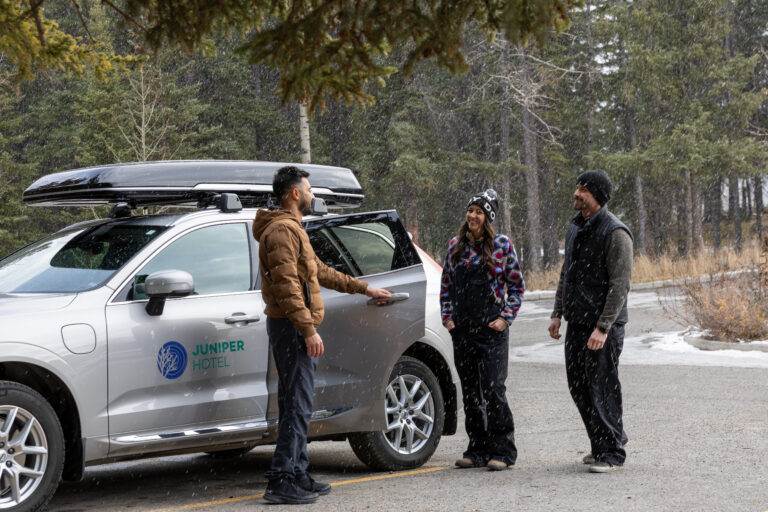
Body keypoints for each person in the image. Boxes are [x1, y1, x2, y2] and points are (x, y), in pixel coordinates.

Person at [252, 166, 391, 504]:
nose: (314, 194)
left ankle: (297, 473)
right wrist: (308, 329)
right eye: (310, 189)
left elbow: (320, 272)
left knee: (296, 403)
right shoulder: (282, 232)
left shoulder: (293, 229)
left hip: (291, 326)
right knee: (297, 404)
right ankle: (281, 480)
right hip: (290, 327)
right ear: (295, 193)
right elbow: (287, 289)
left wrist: (363, 288)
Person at [547, 169, 633, 474]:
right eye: (576, 186)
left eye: (582, 189)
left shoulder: (615, 233)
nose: (575, 193)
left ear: (596, 196)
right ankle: (602, 442)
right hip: (577, 323)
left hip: (603, 328)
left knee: (602, 387)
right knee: (579, 386)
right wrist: (558, 312)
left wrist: (603, 327)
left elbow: (619, 285)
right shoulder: (575, 227)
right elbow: (565, 274)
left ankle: (611, 452)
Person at [439, 189, 525, 471]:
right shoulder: (455, 246)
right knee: (471, 393)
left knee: (494, 390)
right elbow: (446, 288)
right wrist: (448, 319)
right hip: (463, 329)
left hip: (492, 329)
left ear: (487, 218)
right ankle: (477, 449)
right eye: (470, 210)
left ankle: (503, 450)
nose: (473, 215)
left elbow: (516, 286)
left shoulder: (501, 245)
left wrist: (505, 318)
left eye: (479, 212)